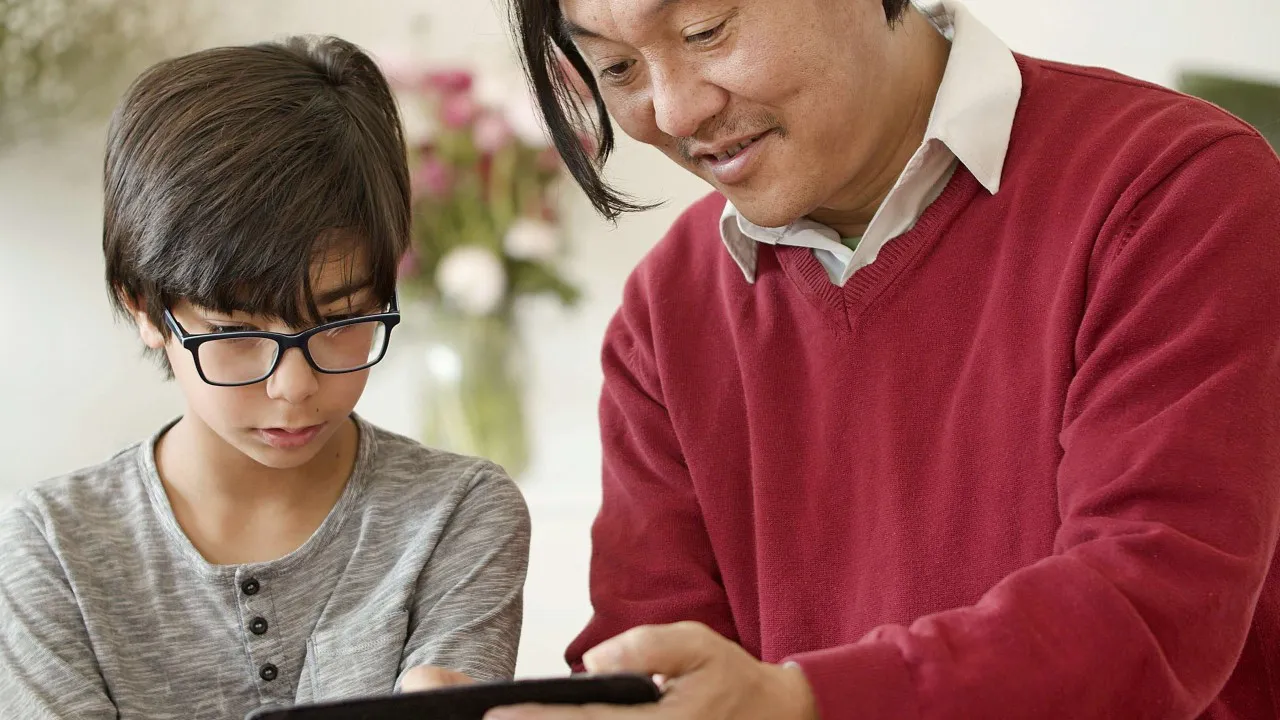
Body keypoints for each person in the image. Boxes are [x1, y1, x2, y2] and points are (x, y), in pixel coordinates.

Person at [440, 0, 1280, 718]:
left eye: (705, 31)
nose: (677, 111)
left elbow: (1148, 611)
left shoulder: (1174, 191)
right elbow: (659, 665)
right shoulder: (666, 310)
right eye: (618, 68)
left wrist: (801, 701)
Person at [0, 35, 530, 720]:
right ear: (146, 310)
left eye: (341, 320)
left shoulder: (456, 514)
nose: (294, 387)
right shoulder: (51, 549)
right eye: (236, 333)